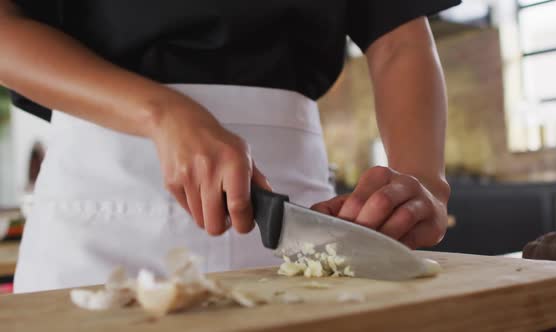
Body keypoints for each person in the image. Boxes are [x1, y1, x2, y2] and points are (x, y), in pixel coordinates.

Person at [0, 0, 460, 293]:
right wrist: (159, 112)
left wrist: (423, 181)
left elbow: (400, 37)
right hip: (97, 205)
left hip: (299, 211)